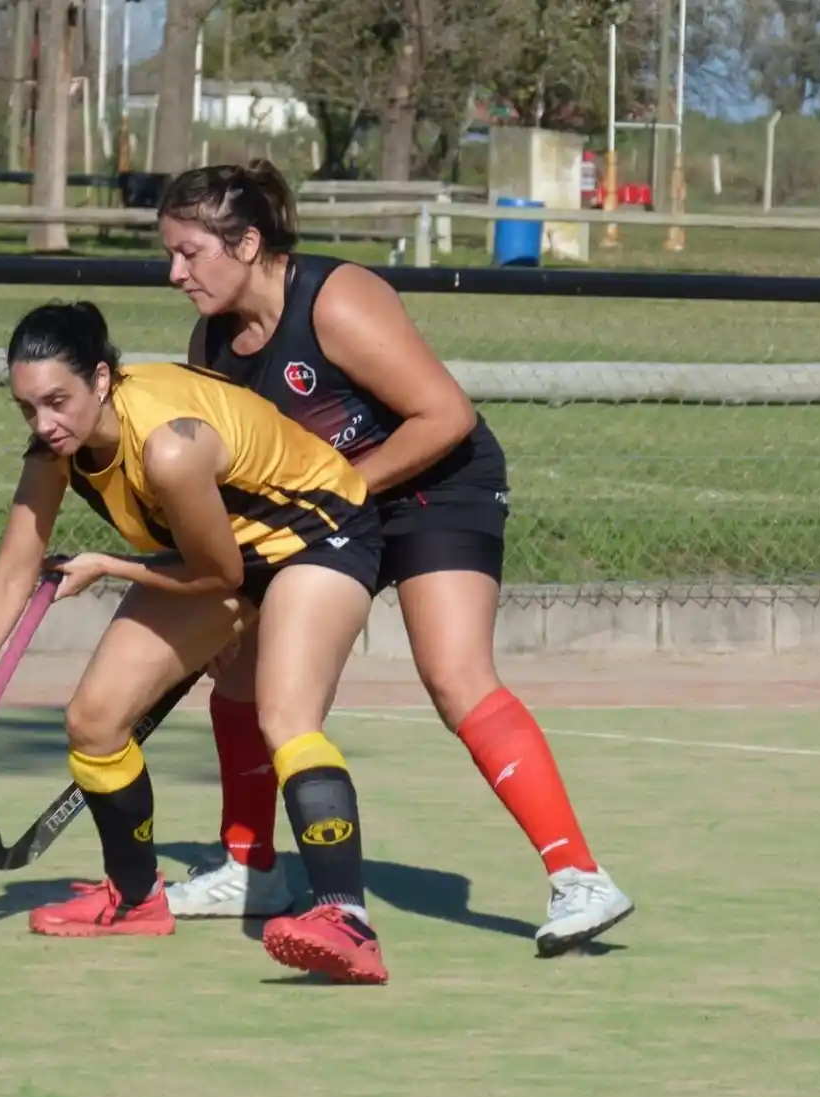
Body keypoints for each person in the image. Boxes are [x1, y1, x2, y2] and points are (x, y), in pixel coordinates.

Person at [151, 160, 635, 957]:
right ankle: (250, 864)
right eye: (169, 253)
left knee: (454, 674)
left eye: (190, 252)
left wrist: (333, 490)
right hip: (336, 504)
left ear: (245, 243)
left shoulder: (337, 299)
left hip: (436, 486)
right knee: (240, 672)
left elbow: (445, 413)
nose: (175, 273)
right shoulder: (214, 342)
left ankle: (580, 877)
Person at [0, 300, 393, 984]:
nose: (44, 424)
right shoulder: (58, 448)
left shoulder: (169, 447)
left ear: (101, 378)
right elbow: (12, 574)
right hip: (224, 549)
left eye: (57, 401)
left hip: (318, 532)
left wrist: (107, 567)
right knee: (93, 721)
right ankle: (134, 896)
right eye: (27, 407)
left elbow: (220, 575)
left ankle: (347, 919)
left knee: (286, 717)